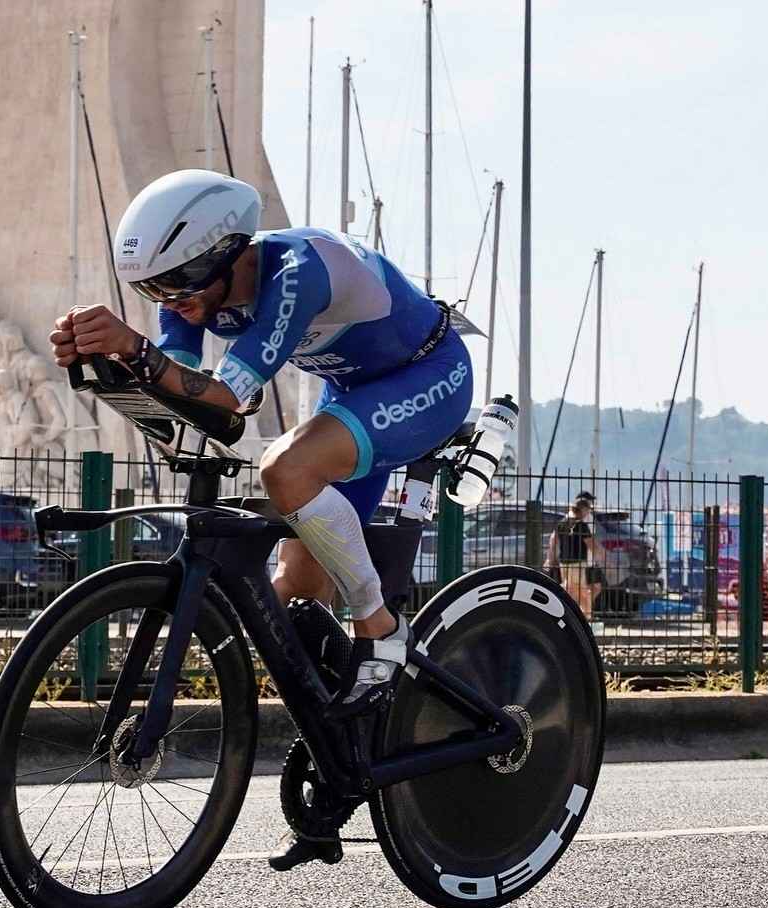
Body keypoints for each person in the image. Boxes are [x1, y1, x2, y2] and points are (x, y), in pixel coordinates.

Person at [49, 169, 474, 865]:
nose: (171, 307)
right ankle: (347, 762)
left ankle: (382, 629)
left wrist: (135, 350)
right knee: (291, 606)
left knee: (285, 470)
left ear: (228, 254)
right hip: (352, 391)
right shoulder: (188, 294)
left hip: (427, 380)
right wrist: (104, 366)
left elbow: (228, 400)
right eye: (153, 293)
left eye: (178, 288)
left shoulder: (295, 270)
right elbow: (187, 415)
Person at [546, 493, 597, 618]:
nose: (588, 512)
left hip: (564, 562)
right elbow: (591, 545)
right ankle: (586, 618)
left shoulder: (562, 522)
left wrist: (550, 558)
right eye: (588, 509)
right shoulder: (581, 525)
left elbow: (553, 540)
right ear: (583, 509)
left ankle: (570, 615)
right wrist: (600, 557)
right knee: (582, 591)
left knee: (569, 590)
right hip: (578, 562)